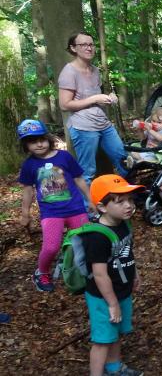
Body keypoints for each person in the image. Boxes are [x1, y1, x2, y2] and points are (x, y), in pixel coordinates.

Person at [17, 119, 94, 292]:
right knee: (51, 247)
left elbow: (78, 179)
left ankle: (86, 271)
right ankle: (42, 272)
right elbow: (28, 190)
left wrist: (90, 200)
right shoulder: (29, 165)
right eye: (32, 142)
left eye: (41, 139)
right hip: (51, 212)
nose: (39, 144)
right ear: (26, 145)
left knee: (85, 242)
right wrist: (25, 213)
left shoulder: (64, 156)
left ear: (48, 139)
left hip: (75, 208)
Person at [83, 174, 145, 376]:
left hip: (121, 290)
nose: (129, 206)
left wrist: (134, 274)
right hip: (103, 297)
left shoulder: (123, 223)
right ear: (102, 207)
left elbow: (127, 252)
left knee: (116, 332)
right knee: (102, 340)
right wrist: (112, 304)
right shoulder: (97, 236)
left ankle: (114, 367)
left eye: (130, 200)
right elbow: (99, 274)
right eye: (120, 201)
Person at [58, 31, 129, 184]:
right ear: (73, 48)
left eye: (91, 44)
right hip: (83, 127)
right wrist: (95, 99)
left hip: (103, 124)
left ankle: (127, 194)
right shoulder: (69, 72)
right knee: (87, 171)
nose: (89, 48)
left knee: (123, 159)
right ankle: (87, 200)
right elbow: (64, 104)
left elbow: (92, 98)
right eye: (83, 44)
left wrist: (108, 98)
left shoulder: (95, 70)